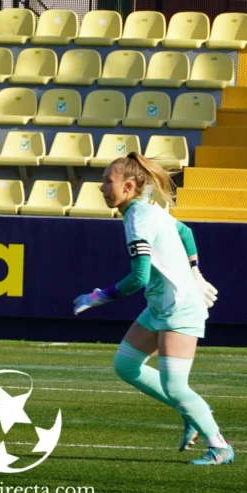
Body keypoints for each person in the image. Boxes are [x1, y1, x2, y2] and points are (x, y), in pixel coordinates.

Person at [73, 153, 232, 465]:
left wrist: (100, 296)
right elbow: (185, 231)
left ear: (129, 186)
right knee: (126, 366)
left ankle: (220, 447)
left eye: (108, 181)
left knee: (175, 385)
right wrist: (195, 271)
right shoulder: (147, 208)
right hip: (161, 305)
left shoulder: (138, 218)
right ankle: (189, 410)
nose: (102, 187)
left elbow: (139, 277)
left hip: (179, 308)